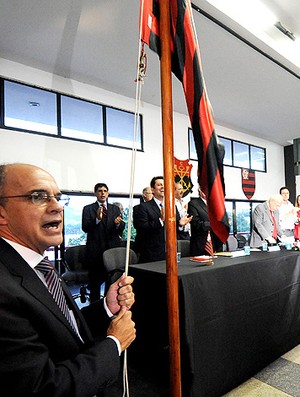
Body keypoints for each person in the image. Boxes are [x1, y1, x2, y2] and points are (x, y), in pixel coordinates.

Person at [0, 163, 136, 397]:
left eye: (58, 197)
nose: (57, 207)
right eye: (38, 197)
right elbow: (45, 388)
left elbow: (62, 327)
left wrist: (105, 307)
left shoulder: (39, 265)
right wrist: (114, 343)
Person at [82, 184, 125, 302]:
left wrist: (118, 224)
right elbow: (85, 228)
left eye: (105, 191)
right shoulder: (88, 209)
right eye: (100, 191)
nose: (102, 193)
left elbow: (121, 227)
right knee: (95, 284)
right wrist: (97, 220)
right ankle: (94, 310)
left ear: (108, 193)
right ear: (95, 193)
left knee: (111, 282)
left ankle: (109, 306)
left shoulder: (114, 208)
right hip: (95, 252)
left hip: (111, 251)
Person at [188, 185, 223, 256]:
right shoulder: (193, 204)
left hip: (216, 244)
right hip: (201, 245)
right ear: (199, 190)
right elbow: (196, 223)